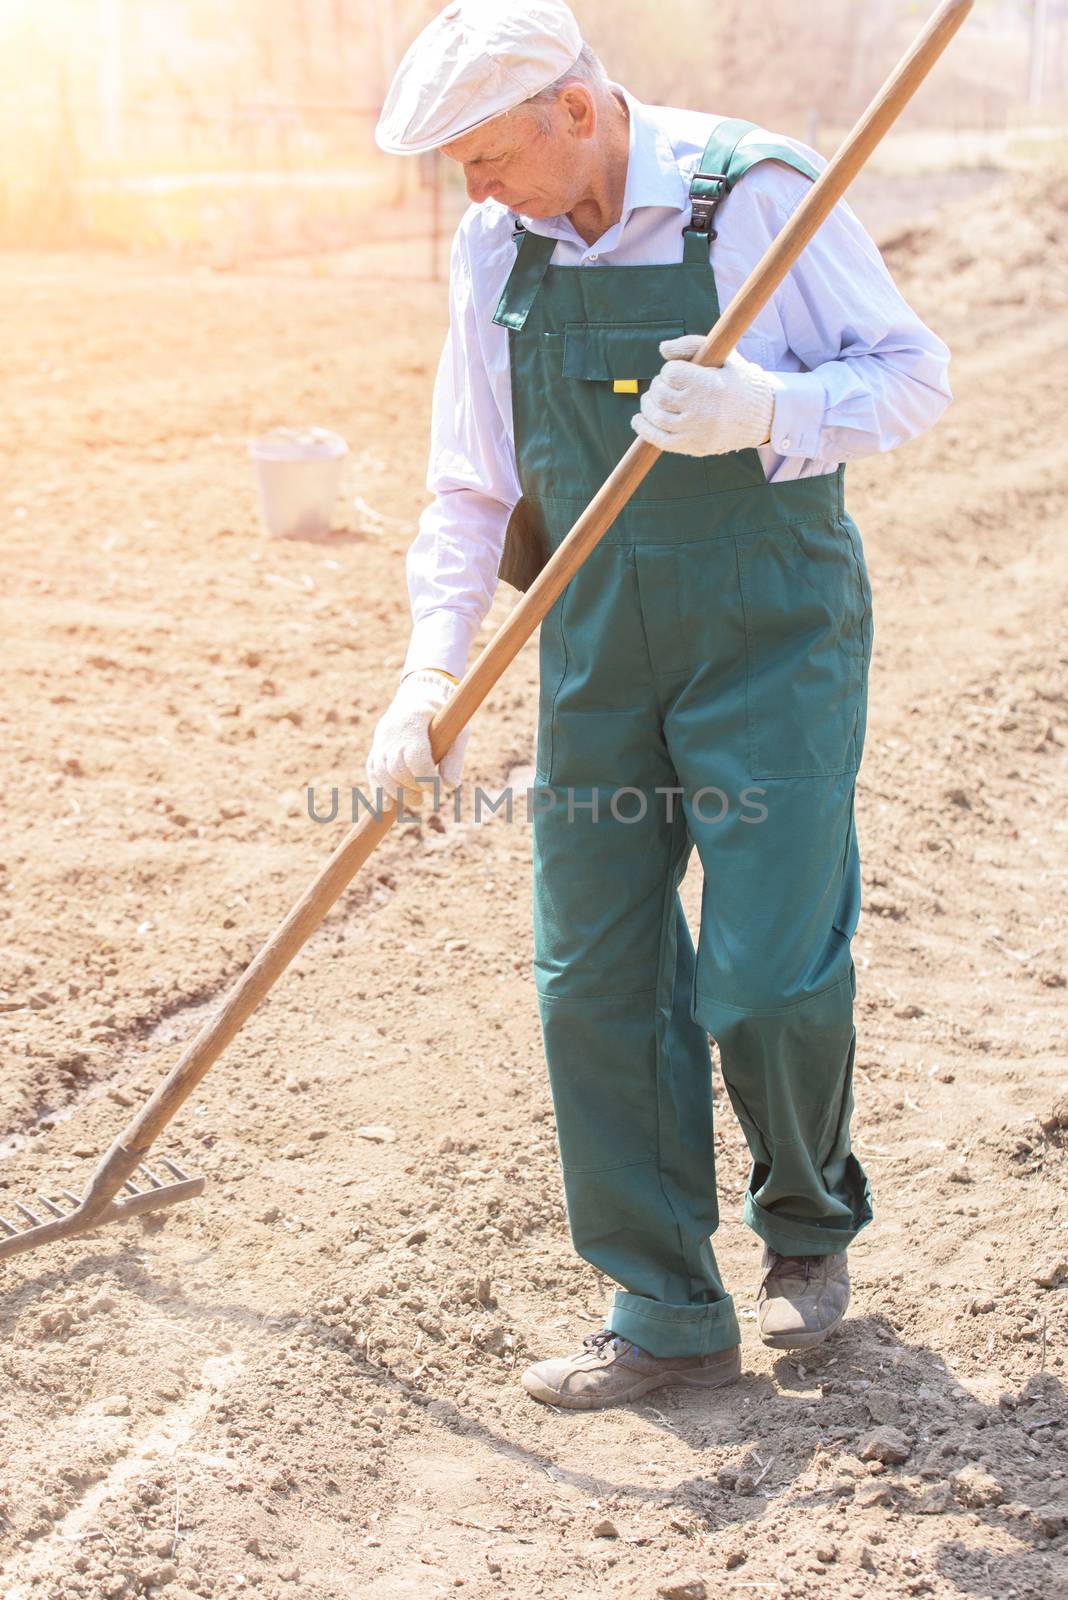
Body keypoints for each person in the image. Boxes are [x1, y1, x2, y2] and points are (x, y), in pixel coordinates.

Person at [366, 0, 951, 1411]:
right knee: (594, 981)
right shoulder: (497, 242)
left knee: (762, 974)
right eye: (456, 167)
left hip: (772, 631)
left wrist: (769, 412)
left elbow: (911, 377)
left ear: (577, 109)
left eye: (488, 156)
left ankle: (806, 1228)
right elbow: (473, 479)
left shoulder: (753, 193)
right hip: (593, 651)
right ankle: (663, 1309)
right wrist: (428, 670)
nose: (475, 189)